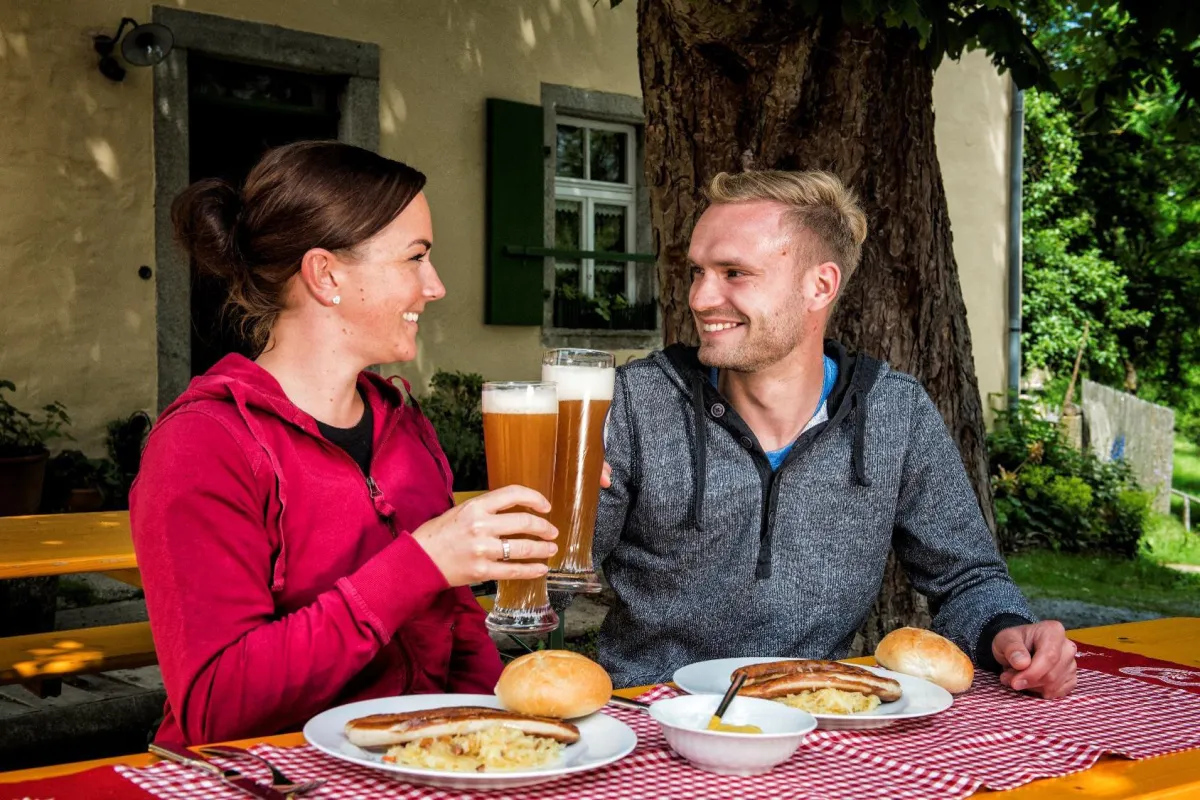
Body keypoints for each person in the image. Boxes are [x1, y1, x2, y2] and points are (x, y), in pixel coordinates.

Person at [130, 141, 559, 745]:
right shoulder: (203, 443)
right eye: (415, 258)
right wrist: (416, 565)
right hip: (269, 773)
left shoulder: (403, 425)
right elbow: (215, 707)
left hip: (411, 762)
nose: (435, 286)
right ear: (326, 275)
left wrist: (501, 740)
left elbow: (459, 631)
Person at [591, 170, 1077, 698]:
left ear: (820, 285)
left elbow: (967, 577)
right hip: (650, 714)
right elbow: (554, 576)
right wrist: (535, 541)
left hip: (820, 714)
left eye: (734, 273)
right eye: (698, 272)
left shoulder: (895, 412)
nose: (701, 298)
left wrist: (1008, 632)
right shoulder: (633, 402)